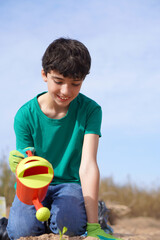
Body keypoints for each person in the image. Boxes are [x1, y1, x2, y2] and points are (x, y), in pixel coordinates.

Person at [7, 38, 122, 240]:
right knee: (20, 231)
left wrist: (93, 226)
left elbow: (88, 165)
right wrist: (19, 165)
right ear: (45, 74)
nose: (66, 91)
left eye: (75, 84)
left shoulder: (90, 111)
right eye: (59, 81)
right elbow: (27, 172)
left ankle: (96, 214)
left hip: (70, 184)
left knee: (69, 226)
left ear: (83, 80)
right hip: (36, 184)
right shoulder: (25, 115)